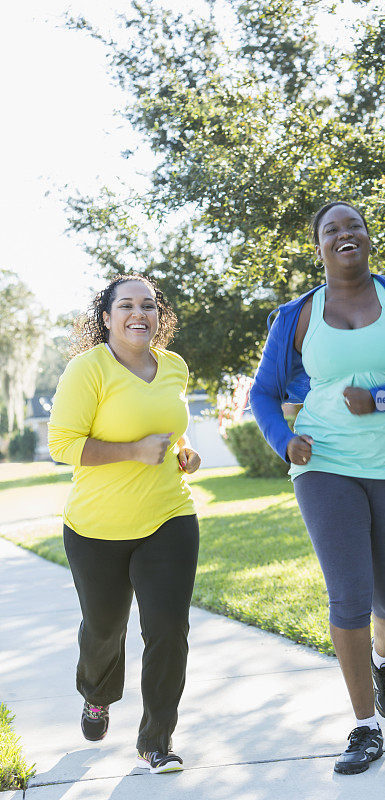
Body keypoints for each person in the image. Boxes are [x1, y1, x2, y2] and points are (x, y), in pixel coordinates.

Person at [249, 201, 385, 775]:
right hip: (324, 461)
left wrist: (382, 399)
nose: (344, 234)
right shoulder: (299, 315)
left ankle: (384, 657)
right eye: (331, 230)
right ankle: (364, 725)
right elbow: (264, 392)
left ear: (368, 238)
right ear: (319, 246)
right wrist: (284, 440)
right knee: (347, 593)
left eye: (353, 226)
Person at [48, 274, 201, 774]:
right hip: (96, 528)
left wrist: (183, 452)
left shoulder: (175, 366)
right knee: (103, 629)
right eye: (127, 305)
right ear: (108, 316)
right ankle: (96, 695)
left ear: (160, 315)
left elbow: (171, 430)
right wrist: (134, 452)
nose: (140, 313)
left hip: (168, 516)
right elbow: (63, 445)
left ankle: (157, 739)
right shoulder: (87, 369)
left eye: (149, 305)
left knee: (168, 630)